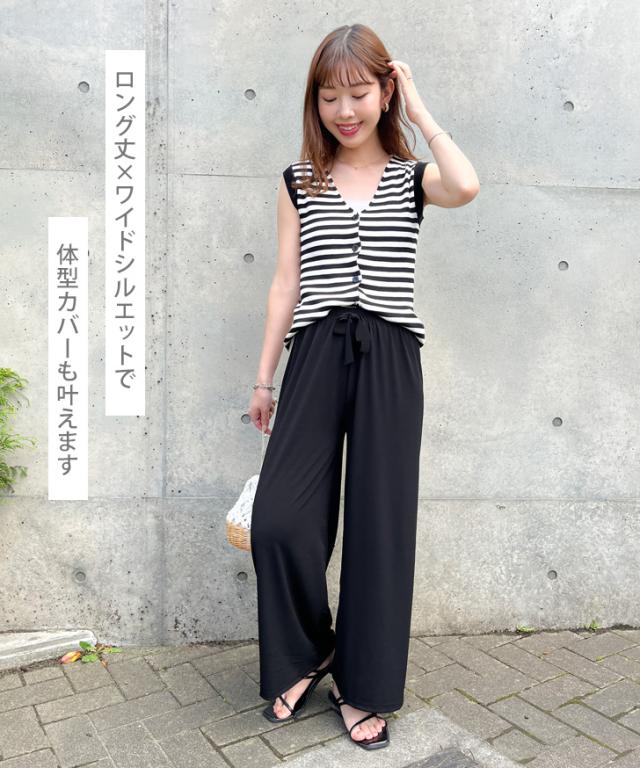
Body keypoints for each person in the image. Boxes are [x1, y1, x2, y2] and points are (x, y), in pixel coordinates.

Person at [248, 23, 479, 750]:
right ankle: (309, 650)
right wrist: (264, 378)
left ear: (385, 93)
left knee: (381, 527)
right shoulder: (299, 179)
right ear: (313, 102)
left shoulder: (414, 179)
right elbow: (285, 283)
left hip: (389, 358)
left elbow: (466, 185)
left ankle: (364, 683)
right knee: (279, 519)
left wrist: (421, 111)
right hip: (315, 352)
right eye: (328, 96)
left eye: (358, 93)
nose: (343, 110)